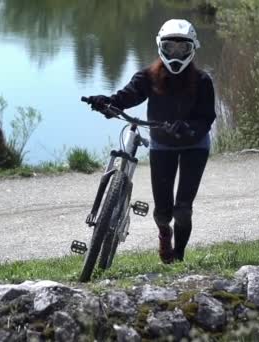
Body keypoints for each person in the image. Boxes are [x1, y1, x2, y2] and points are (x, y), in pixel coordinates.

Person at [86, 19, 216, 263]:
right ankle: (164, 233)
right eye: (170, 47)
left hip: (194, 145)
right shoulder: (148, 76)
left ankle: (177, 257)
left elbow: (207, 118)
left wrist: (188, 128)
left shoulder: (203, 81)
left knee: (183, 210)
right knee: (163, 212)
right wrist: (107, 103)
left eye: (182, 48)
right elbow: (127, 96)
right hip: (162, 145)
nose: (176, 54)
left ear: (193, 49)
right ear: (160, 47)